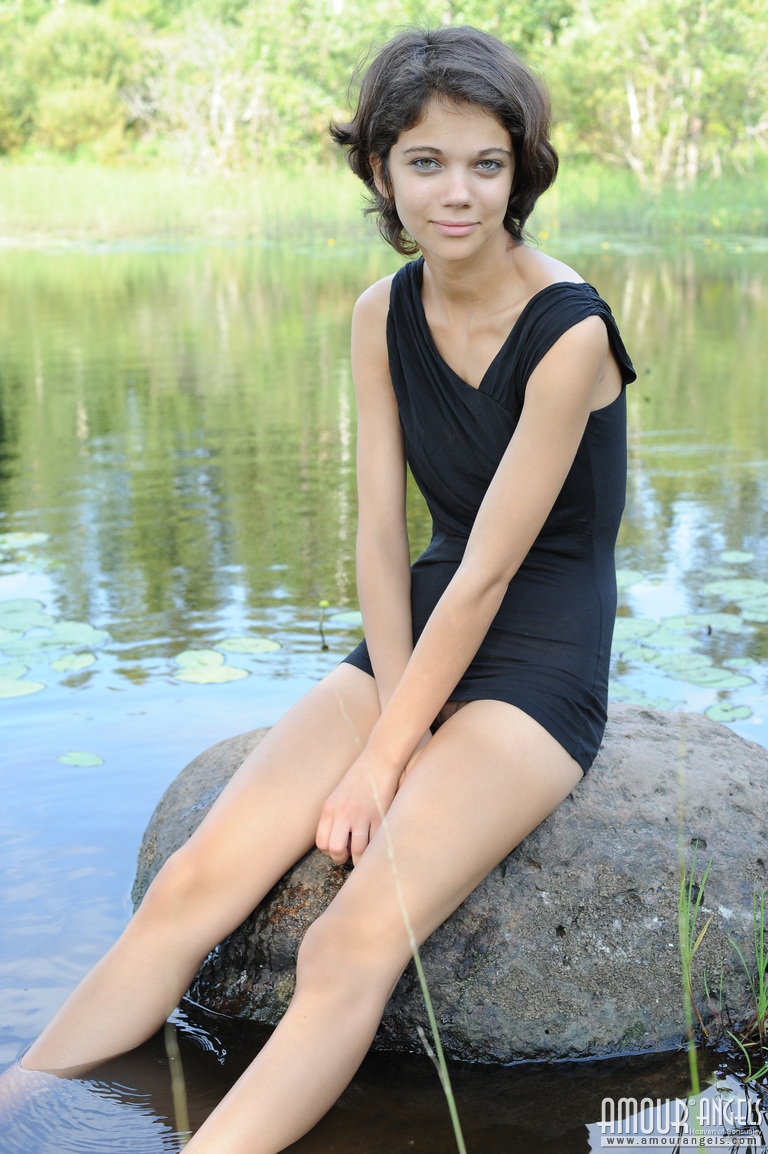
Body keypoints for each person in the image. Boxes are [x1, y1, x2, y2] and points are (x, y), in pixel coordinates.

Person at [12, 24, 635, 1153]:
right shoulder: (379, 311)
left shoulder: (572, 331)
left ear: (521, 171)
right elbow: (380, 531)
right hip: (416, 627)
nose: (457, 193)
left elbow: (493, 570)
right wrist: (394, 702)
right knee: (192, 882)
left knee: (345, 944)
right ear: (382, 171)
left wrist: (386, 758)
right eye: (426, 162)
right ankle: (17, 1099)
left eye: (485, 163)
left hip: (537, 662)